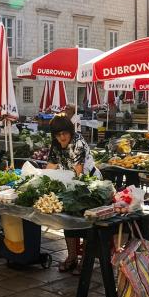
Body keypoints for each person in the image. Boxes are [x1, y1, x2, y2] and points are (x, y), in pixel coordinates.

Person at [46, 116, 102, 274]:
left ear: (70, 132)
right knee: (67, 221)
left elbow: (78, 172)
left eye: (65, 133)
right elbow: (51, 165)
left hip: (88, 184)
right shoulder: (56, 143)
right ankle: (71, 257)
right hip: (69, 184)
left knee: (84, 221)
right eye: (58, 134)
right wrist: (41, 179)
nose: (62, 137)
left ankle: (85, 259)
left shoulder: (78, 142)